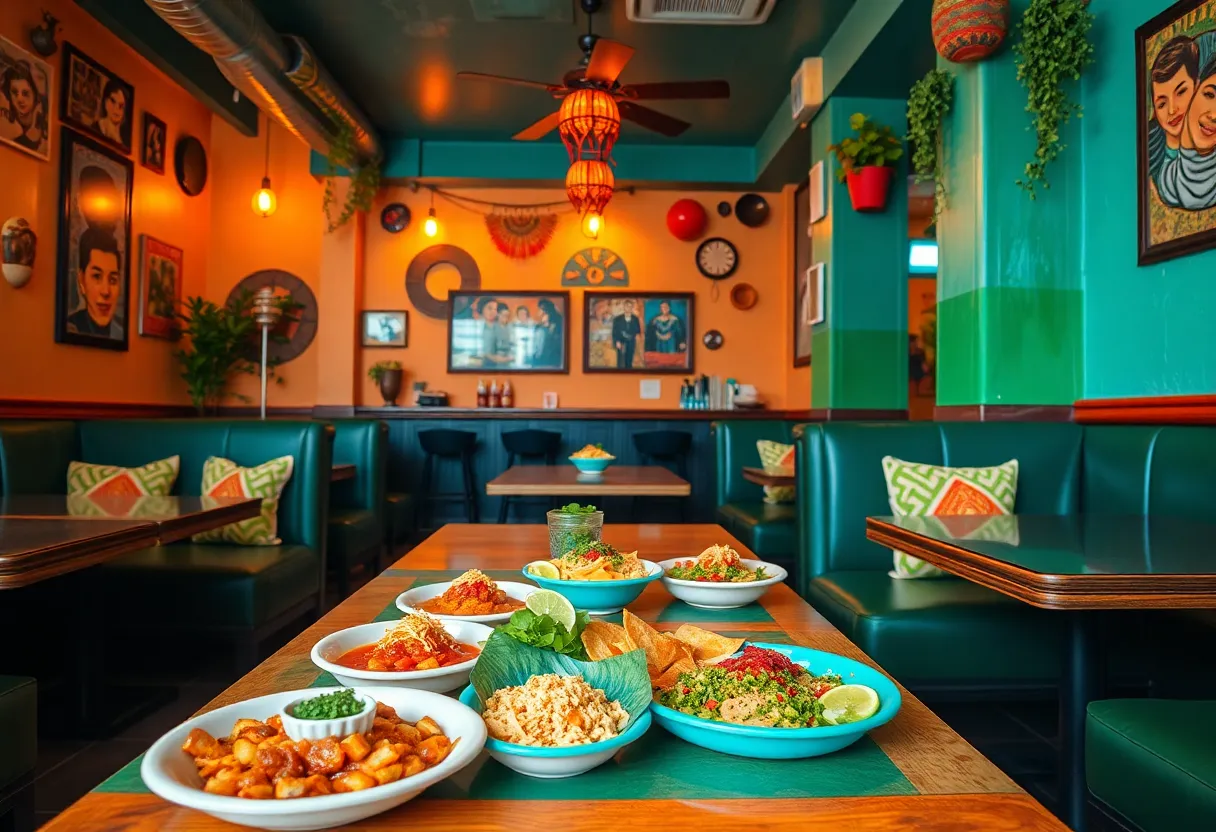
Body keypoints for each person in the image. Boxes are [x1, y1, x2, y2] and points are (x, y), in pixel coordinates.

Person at [1157, 53, 1216, 210]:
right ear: (1195, 89)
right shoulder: (1165, 179)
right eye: (1209, 95)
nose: (1214, 115)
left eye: (1181, 92)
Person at [67, 226, 122, 338]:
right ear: (82, 280)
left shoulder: (121, 333)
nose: (106, 292)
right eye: (97, 276)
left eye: (113, 280)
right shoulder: (71, 327)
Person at [1, 59, 46, 152]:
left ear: (35, 94)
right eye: (14, 92)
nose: (19, 99)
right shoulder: (6, 120)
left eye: (25, 93)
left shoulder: (43, 127)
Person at [611, 299, 642, 369]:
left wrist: (637, 338)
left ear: (632, 308)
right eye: (627, 306)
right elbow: (614, 332)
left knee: (629, 362)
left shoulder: (635, 319)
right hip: (621, 342)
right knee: (620, 362)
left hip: (631, 342)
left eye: (630, 306)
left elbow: (638, 331)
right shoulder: (617, 319)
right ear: (624, 307)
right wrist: (617, 341)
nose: (629, 308)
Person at [96, 78, 128, 146]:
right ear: (105, 101)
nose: (116, 109)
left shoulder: (122, 144)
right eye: (113, 101)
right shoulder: (95, 129)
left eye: (121, 106)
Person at [534, 297, 563, 368]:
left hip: (552, 360)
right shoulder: (539, 326)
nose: (539, 311)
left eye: (541, 309)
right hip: (542, 359)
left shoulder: (557, 323)